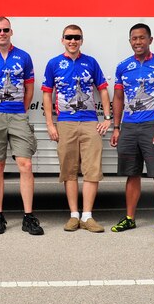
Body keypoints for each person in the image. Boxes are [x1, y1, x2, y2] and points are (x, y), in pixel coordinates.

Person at [0, 17, 42, 235]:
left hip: (18, 115)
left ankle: (28, 216)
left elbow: (29, 87)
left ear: (11, 32)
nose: (2, 33)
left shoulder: (23, 57)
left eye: (5, 29)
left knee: (26, 164)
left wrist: (21, 109)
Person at [110, 23, 154, 238]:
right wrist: (116, 127)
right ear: (130, 41)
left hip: (153, 126)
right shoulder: (123, 66)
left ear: (150, 40)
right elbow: (118, 98)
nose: (138, 42)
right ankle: (130, 218)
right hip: (129, 127)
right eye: (134, 38)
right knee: (132, 174)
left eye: (142, 38)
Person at [42, 25, 112, 233]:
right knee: (69, 170)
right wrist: (50, 124)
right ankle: (74, 215)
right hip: (65, 123)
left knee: (92, 170)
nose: (72, 41)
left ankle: (87, 216)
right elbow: (47, 94)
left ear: (82, 40)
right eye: (69, 37)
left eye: (76, 37)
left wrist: (107, 118)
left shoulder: (91, 62)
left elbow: (103, 90)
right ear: (62, 39)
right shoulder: (54, 63)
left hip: (90, 122)